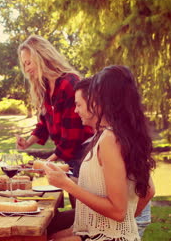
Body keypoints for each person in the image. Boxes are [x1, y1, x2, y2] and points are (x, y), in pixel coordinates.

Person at [44, 65, 155, 241]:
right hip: (98, 234)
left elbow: (118, 211)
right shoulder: (118, 134)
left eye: (94, 95)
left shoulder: (110, 139)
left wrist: (67, 185)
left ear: (104, 99)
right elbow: (149, 191)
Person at [15, 35, 93, 178]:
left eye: (28, 63)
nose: (26, 69)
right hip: (70, 156)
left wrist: (46, 163)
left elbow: (72, 136)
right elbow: (44, 124)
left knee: (85, 198)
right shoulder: (45, 87)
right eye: (24, 64)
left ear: (41, 56)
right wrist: (27, 143)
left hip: (85, 154)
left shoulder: (69, 83)